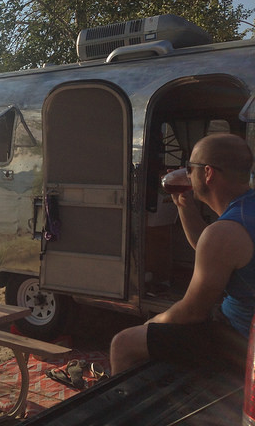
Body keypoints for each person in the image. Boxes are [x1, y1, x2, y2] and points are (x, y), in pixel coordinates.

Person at [110, 133, 255, 375]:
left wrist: (152, 323)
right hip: (238, 323)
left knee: (123, 343)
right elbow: (210, 250)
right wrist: (183, 206)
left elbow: (192, 312)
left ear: (208, 173)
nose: (186, 174)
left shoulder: (225, 232)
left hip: (239, 339)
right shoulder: (243, 213)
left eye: (190, 168)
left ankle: (123, 409)